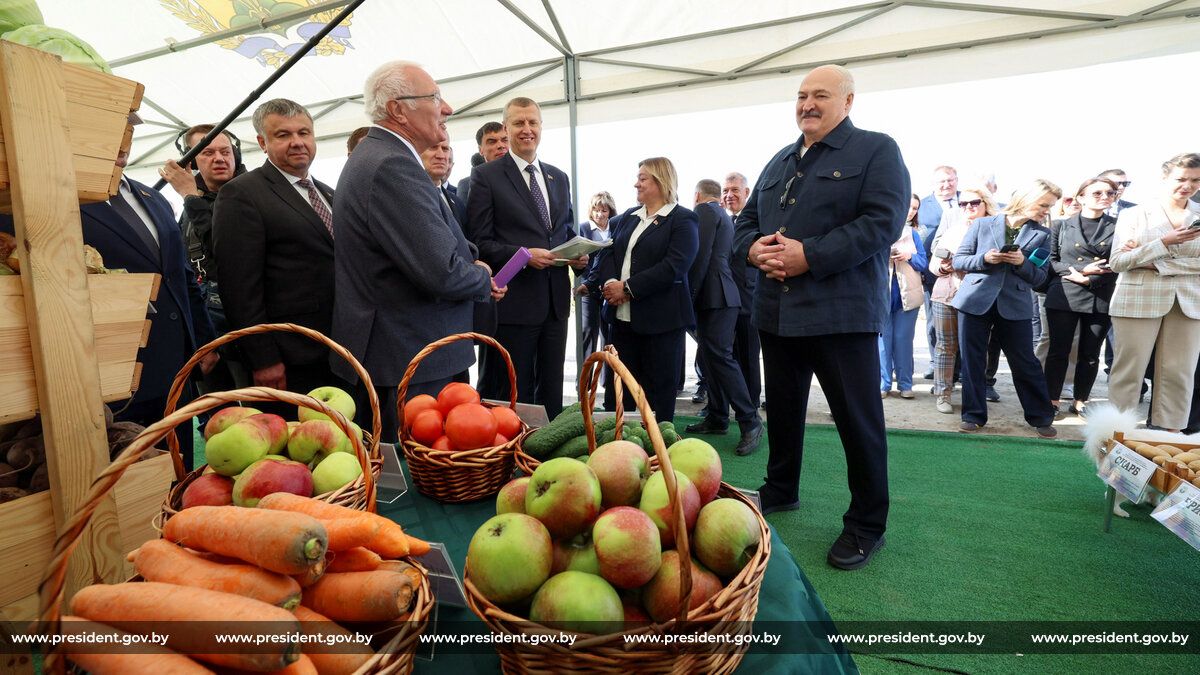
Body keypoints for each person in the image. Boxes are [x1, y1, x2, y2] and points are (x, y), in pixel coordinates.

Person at [734, 64, 909, 571]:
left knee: (858, 422)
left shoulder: (877, 149)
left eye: (821, 95)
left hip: (841, 315)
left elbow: (882, 223)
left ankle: (866, 524)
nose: (807, 104)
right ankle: (781, 488)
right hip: (777, 312)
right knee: (783, 410)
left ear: (849, 102)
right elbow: (746, 223)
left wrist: (809, 255)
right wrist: (753, 252)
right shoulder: (780, 159)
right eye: (802, 95)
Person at [332, 61, 501, 442]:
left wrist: (467, 260)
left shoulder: (380, 156)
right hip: (414, 354)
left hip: (407, 350)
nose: (447, 109)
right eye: (436, 98)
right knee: (422, 478)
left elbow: (429, 245)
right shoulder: (392, 164)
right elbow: (440, 271)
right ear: (398, 109)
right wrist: (482, 276)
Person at [213, 98, 343, 410]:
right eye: (283, 135)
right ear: (262, 142)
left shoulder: (328, 192)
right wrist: (263, 358)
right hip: (287, 361)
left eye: (304, 132)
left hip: (338, 352)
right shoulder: (241, 194)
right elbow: (239, 287)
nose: (298, 142)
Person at [465, 97, 583, 420]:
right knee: (515, 394)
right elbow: (478, 242)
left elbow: (564, 231)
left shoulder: (559, 177)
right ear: (506, 128)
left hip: (556, 304)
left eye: (533, 122)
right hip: (515, 304)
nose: (527, 129)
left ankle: (549, 455)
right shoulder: (486, 177)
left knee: (552, 390)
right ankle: (514, 458)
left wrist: (577, 255)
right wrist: (524, 256)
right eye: (519, 123)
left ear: (541, 127)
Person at [583, 157, 698, 422]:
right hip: (621, 322)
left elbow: (675, 266)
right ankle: (619, 450)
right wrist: (611, 283)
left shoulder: (683, 220)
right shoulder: (626, 219)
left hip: (661, 323)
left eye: (643, 178)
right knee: (619, 391)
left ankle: (659, 451)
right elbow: (607, 254)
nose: (636, 183)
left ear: (660, 181)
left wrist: (628, 288)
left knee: (658, 393)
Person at [951, 179, 1059, 437]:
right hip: (974, 300)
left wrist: (1022, 263)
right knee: (972, 360)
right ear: (1027, 198)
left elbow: (1041, 278)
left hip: (1016, 304)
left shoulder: (1043, 234)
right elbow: (960, 259)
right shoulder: (982, 224)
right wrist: (985, 258)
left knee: (1024, 361)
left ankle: (1041, 417)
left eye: (1051, 206)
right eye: (1044, 205)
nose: (1047, 211)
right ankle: (973, 415)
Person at [1108, 153, 1200, 432]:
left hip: (1190, 303)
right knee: (1128, 372)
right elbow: (1118, 262)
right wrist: (1162, 242)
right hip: (1136, 300)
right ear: (1164, 178)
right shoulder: (1133, 214)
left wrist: (1151, 263)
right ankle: (1115, 435)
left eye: (1195, 180)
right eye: (1181, 179)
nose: (1187, 186)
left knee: (1180, 373)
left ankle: (1171, 435)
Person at [158, 124, 248, 393]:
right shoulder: (190, 204)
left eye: (225, 151)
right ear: (191, 160)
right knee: (214, 405)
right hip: (206, 319)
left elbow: (227, 249)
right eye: (207, 152)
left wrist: (189, 194)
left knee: (257, 409)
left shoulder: (250, 194)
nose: (219, 158)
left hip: (243, 319)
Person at [682, 179, 762, 454]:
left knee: (720, 356)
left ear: (698, 195)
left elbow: (700, 257)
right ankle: (717, 416)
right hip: (720, 295)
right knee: (711, 355)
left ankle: (750, 420)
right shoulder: (722, 216)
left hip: (715, 296)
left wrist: (687, 298)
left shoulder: (705, 211)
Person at [1043, 178, 1119, 416]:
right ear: (1081, 197)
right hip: (1065, 293)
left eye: (1110, 192)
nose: (1104, 196)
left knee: (1090, 354)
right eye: (1097, 193)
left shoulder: (1119, 226)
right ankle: (1051, 400)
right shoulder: (1060, 225)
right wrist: (1081, 271)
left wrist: (1091, 279)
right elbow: (1051, 261)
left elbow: (1119, 262)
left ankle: (1080, 400)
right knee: (1058, 350)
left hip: (1100, 294)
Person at [928, 186, 996, 414]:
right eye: (963, 204)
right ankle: (943, 394)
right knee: (945, 347)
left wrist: (965, 263)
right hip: (946, 294)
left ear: (986, 202)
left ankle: (975, 397)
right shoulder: (954, 229)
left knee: (976, 349)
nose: (968, 207)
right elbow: (933, 263)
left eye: (974, 202)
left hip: (979, 297)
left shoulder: (996, 229)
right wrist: (942, 266)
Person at [880, 194, 927, 399]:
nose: (911, 211)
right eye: (909, 206)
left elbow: (923, 263)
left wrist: (908, 256)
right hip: (881, 295)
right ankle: (883, 384)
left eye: (915, 208)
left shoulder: (913, 234)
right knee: (883, 343)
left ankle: (906, 384)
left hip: (908, 295)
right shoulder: (879, 227)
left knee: (903, 341)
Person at [723, 172, 762, 410]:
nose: (729, 195)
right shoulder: (720, 221)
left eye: (735, 190)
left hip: (748, 300)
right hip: (724, 301)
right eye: (725, 191)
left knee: (748, 355)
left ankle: (750, 404)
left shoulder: (757, 221)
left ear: (747, 193)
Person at [917, 166, 959, 380]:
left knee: (961, 322)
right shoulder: (923, 206)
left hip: (962, 275)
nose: (946, 185)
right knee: (934, 322)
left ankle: (958, 368)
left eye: (950, 180)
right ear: (933, 184)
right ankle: (936, 363)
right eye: (941, 181)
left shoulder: (968, 203)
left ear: (956, 180)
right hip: (931, 275)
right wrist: (923, 271)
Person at [575, 191, 618, 358]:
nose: (599, 214)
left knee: (609, 335)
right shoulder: (582, 228)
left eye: (604, 210)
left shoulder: (616, 227)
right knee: (588, 332)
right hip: (588, 289)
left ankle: (607, 380)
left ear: (611, 212)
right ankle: (585, 380)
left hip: (610, 288)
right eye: (596, 210)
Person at [456, 121, 508, 203]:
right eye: (492, 142)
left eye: (505, 140)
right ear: (480, 150)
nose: (501, 145)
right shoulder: (467, 185)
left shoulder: (525, 176)